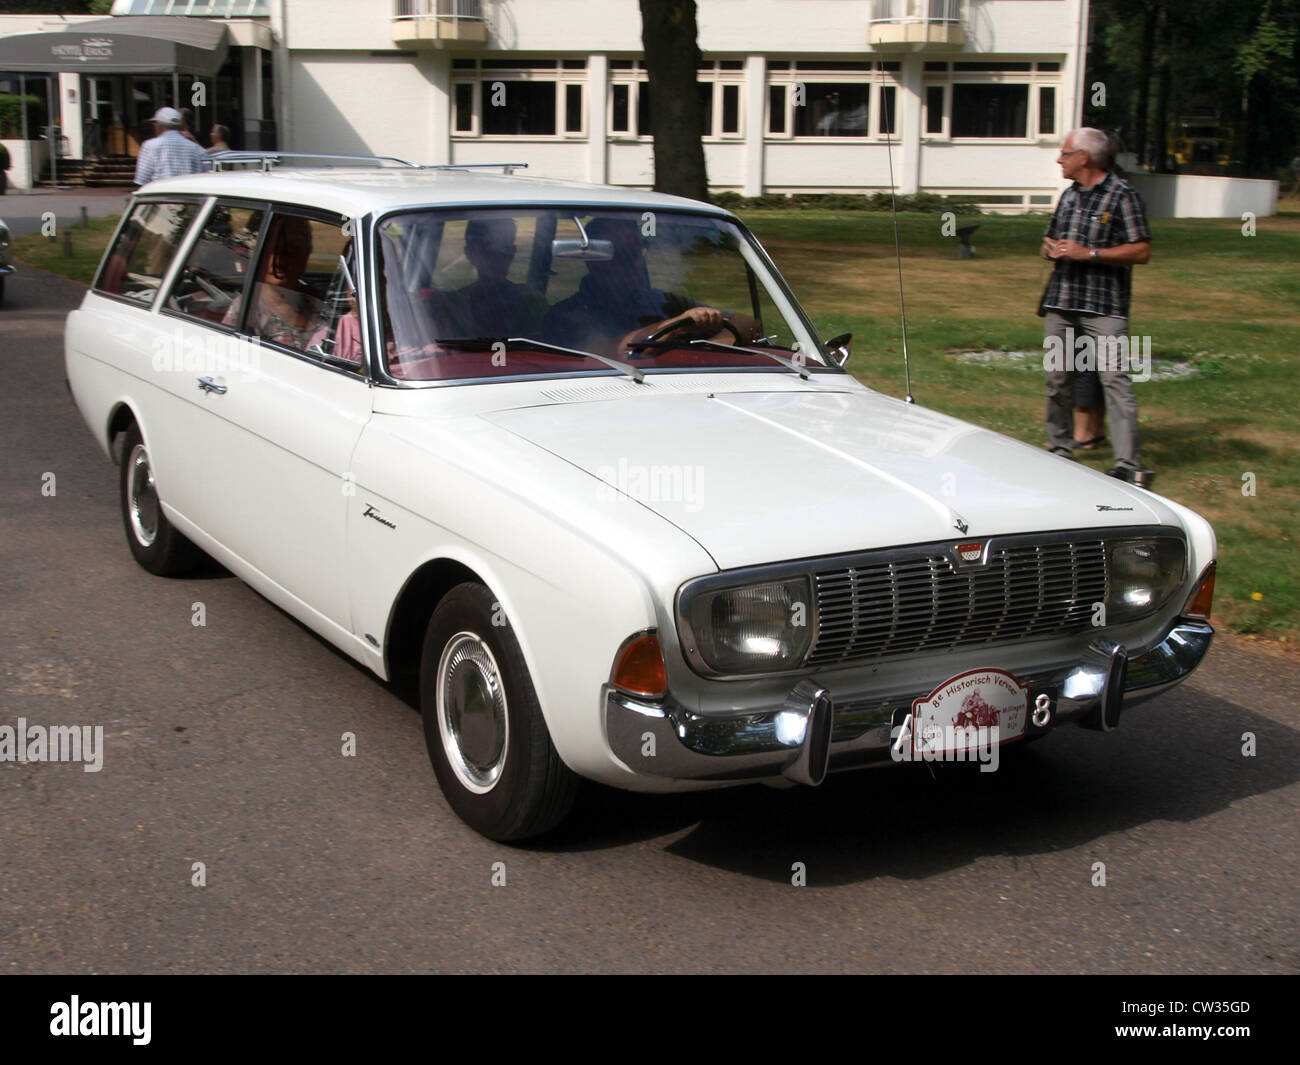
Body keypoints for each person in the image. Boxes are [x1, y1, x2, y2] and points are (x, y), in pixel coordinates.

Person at [1039, 127, 1153, 484]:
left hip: (1105, 306)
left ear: (1084, 158)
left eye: (1065, 153)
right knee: (1057, 379)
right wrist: (1049, 248)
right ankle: (1059, 448)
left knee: (1114, 381)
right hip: (1062, 301)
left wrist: (1090, 253)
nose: (1060, 159)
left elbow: (1141, 250)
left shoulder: (1123, 196)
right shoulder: (1069, 196)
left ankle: (1128, 464)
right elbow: (1051, 236)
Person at [539, 217, 756, 357]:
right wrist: (677, 325)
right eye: (621, 255)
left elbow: (749, 323)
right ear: (593, 261)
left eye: (635, 253)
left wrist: (717, 345)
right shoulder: (565, 314)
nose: (633, 263)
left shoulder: (662, 302)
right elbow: (608, 353)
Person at [439, 217, 547, 337]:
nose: (496, 256)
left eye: (503, 247)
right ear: (469, 252)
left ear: (512, 252)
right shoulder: (453, 306)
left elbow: (543, 346)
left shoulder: (532, 302)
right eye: (486, 247)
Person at [133, 106, 209, 185]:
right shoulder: (197, 149)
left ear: (159, 124)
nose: (154, 126)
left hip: (160, 194)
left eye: (155, 123)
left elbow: (142, 179)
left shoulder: (149, 146)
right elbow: (207, 176)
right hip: (190, 195)